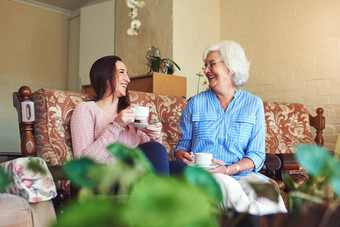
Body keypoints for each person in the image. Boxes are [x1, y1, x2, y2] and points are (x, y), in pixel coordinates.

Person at [174, 40, 287, 215]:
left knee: (270, 195)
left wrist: (228, 169)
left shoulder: (253, 104)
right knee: (226, 185)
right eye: (205, 65)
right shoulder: (195, 104)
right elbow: (182, 146)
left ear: (230, 67)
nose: (205, 70)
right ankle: (260, 219)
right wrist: (183, 155)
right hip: (208, 175)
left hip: (243, 174)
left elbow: (256, 155)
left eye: (212, 64)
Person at [71, 55, 185, 175]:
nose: (128, 79)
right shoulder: (86, 109)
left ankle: (158, 192)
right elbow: (82, 163)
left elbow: (153, 157)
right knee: (155, 149)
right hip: (108, 177)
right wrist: (116, 125)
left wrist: (155, 137)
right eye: (122, 72)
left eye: (127, 73)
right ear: (104, 75)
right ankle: (158, 192)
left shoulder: (133, 110)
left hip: (137, 174)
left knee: (180, 167)